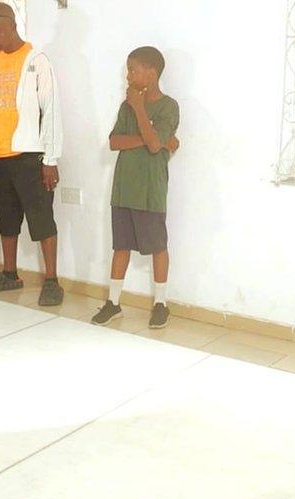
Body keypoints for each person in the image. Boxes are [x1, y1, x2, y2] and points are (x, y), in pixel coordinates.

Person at [0, 2, 64, 306]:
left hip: (30, 154)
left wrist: (50, 159)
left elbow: (51, 111)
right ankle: (10, 273)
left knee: (42, 219)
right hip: (0, 154)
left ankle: (52, 280)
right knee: (7, 218)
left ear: (13, 25)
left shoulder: (36, 60)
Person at [91, 47, 179, 329]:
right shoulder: (125, 105)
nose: (128, 76)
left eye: (133, 70)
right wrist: (153, 137)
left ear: (151, 74)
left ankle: (161, 303)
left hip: (150, 189)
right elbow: (115, 141)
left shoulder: (168, 107)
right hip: (124, 188)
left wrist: (142, 113)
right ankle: (113, 302)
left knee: (158, 246)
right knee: (121, 245)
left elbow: (156, 145)